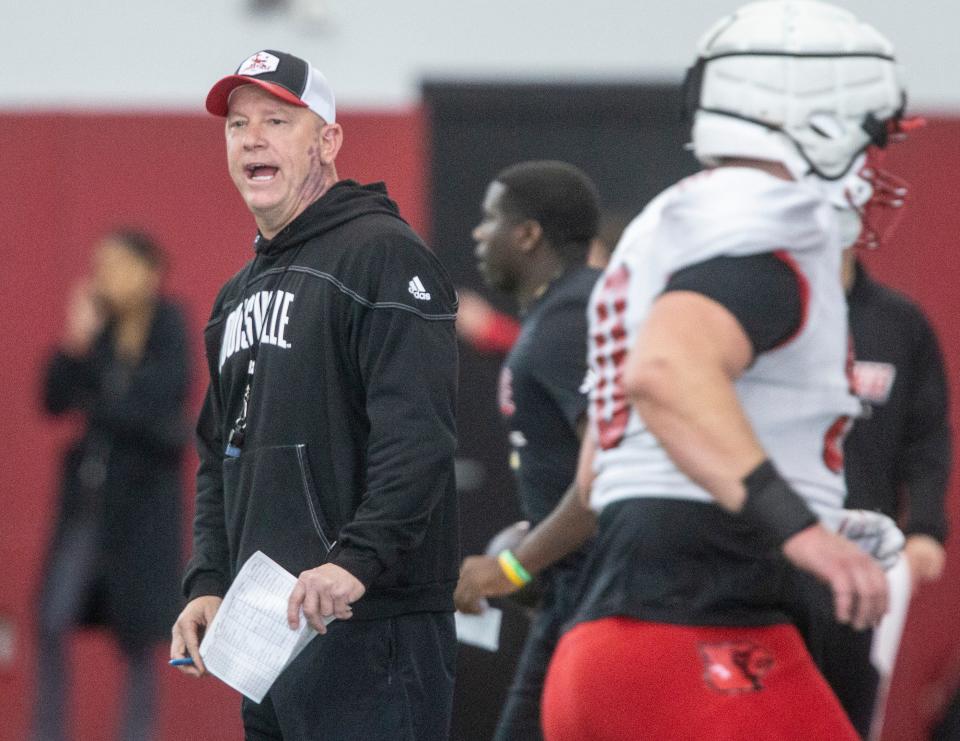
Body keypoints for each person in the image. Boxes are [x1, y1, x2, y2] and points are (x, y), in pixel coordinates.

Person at [518, 2, 919, 739]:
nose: (873, 162)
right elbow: (666, 370)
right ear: (819, 118)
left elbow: (598, 477)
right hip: (703, 639)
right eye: (871, 135)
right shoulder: (773, 228)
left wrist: (815, 507)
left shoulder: (663, 227)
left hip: (602, 646)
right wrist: (799, 528)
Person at [169, 50, 460, 740]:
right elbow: (220, 457)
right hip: (268, 630)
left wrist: (356, 560)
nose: (253, 138)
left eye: (277, 119)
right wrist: (207, 579)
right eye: (238, 125)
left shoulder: (382, 254)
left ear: (327, 141)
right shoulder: (234, 296)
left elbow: (416, 436)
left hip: (370, 622)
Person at [453, 161, 601, 740]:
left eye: (491, 219)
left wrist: (515, 564)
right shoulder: (557, 314)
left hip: (602, 598)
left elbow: (608, 473)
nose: (477, 234)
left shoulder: (570, 320)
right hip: (571, 593)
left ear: (528, 234)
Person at [35, 230, 189, 741]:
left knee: (140, 636)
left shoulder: (168, 324)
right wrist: (76, 340)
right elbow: (55, 398)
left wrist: (101, 395)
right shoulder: (99, 330)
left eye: (115, 265)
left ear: (148, 272)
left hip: (141, 508)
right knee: (52, 619)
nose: (103, 275)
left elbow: (159, 409)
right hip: (88, 503)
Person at [813, 248, 951, 737]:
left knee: (853, 701)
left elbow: (927, 435)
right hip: (781, 545)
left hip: (865, 552)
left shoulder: (899, 323)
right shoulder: (775, 311)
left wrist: (926, 527)